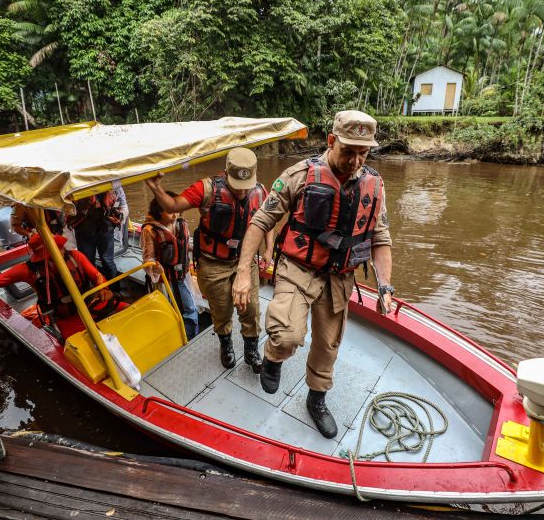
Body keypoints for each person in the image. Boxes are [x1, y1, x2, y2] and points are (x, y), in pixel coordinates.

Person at [231, 110, 393, 438]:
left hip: (339, 277)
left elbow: (380, 237)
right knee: (287, 334)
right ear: (331, 141)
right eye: (348, 151)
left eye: (363, 153)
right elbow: (261, 221)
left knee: (328, 344)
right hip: (298, 268)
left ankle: (316, 399)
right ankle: (274, 356)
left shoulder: (374, 185)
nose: (355, 161)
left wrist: (386, 287)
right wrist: (243, 273)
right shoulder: (300, 175)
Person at [145, 147, 274, 372]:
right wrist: (156, 187)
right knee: (222, 309)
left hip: (245, 261)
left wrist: (268, 250)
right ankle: (226, 345)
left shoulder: (260, 191)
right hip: (214, 262)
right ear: (226, 174)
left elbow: (267, 221)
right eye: (237, 186)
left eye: (246, 187)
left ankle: (251, 349)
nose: (242, 193)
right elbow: (172, 206)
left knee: (251, 307)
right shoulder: (207, 189)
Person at [0, 233, 126, 340]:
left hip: (90, 305)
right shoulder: (26, 270)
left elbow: (97, 276)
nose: (62, 249)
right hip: (62, 317)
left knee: (128, 309)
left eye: (59, 246)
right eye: (56, 248)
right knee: (87, 345)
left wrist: (103, 288)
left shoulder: (76, 256)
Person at [141, 192, 200, 339]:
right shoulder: (150, 230)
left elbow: (183, 245)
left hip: (183, 274)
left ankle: (189, 336)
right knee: (179, 310)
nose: (174, 216)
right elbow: (148, 259)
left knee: (189, 308)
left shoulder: (179, 222)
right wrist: (155, 267)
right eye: (170, 212)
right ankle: (183, 339)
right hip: (166, 279)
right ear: (159, 212)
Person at [67, 187, 127, 282]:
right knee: (87, 262)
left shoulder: (115, 185)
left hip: (105, 228)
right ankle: (92, 290)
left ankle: (114, 289)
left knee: (107, 260)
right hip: (84, 230)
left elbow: (123, 205)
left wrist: (120, 217)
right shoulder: (77, 184)